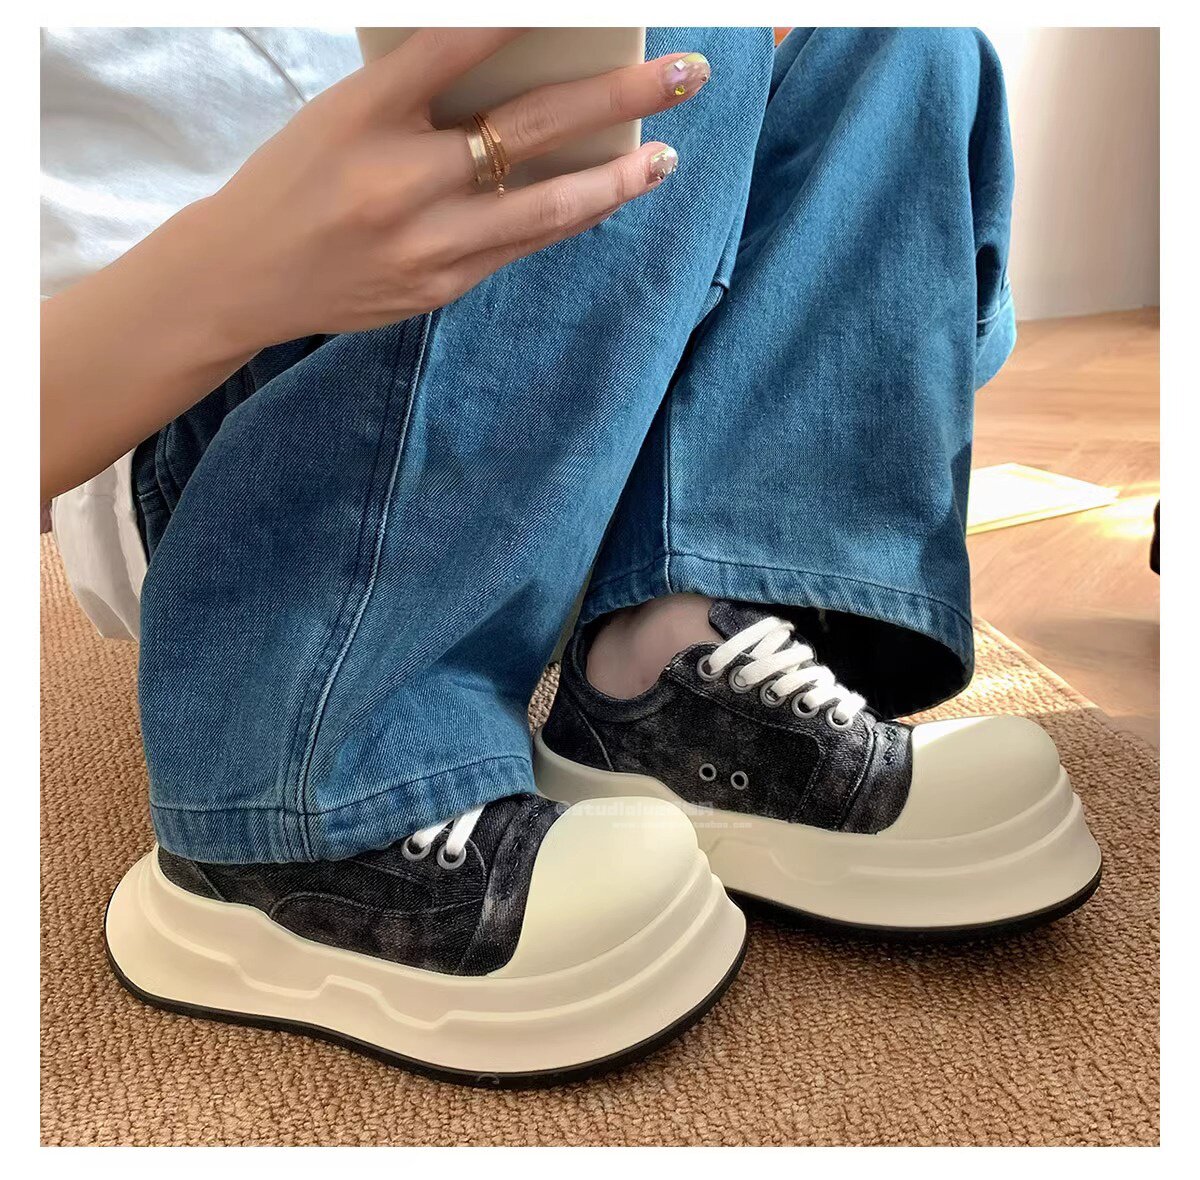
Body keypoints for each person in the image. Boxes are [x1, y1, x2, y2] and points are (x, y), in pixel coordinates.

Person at [43, 27, 1101, 1087]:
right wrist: (244, 264)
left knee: (906, 46)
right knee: (665, 43)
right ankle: (306, 785)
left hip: (558, 419)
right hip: (218, 423)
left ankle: (674, 657)